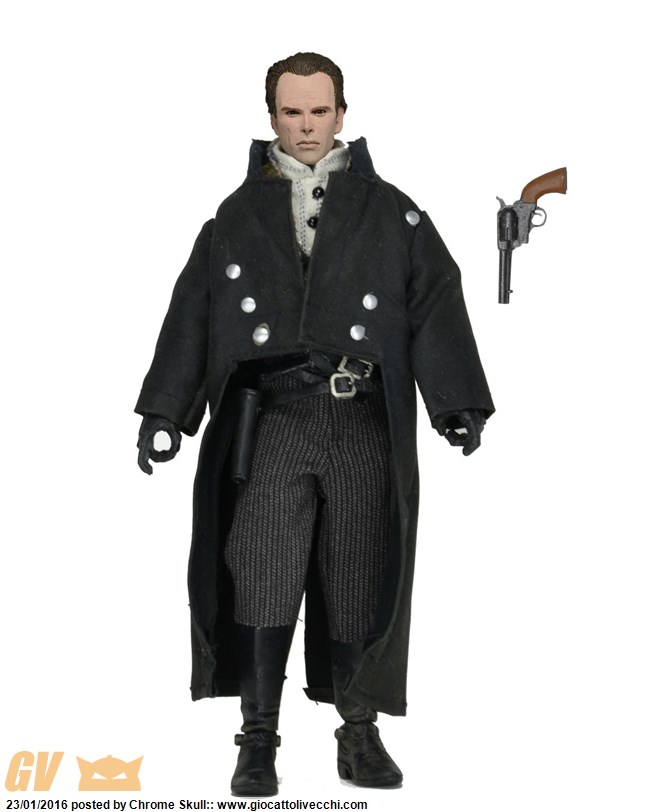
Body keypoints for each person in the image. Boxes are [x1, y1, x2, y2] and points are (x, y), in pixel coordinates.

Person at [135, 52, 494, 797]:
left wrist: (455, 399)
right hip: (274, 416)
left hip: (361, 416)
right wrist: (166, 409)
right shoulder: (235, 216)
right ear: (272, 116)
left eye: (320, 111)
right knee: (262, 569)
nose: (306, 126)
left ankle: (358, 731)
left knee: (360, 570)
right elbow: (194, 311)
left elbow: (434, 300)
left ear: (342, 114)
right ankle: (258, 739)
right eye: (292, 112)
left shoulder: (392, 212)